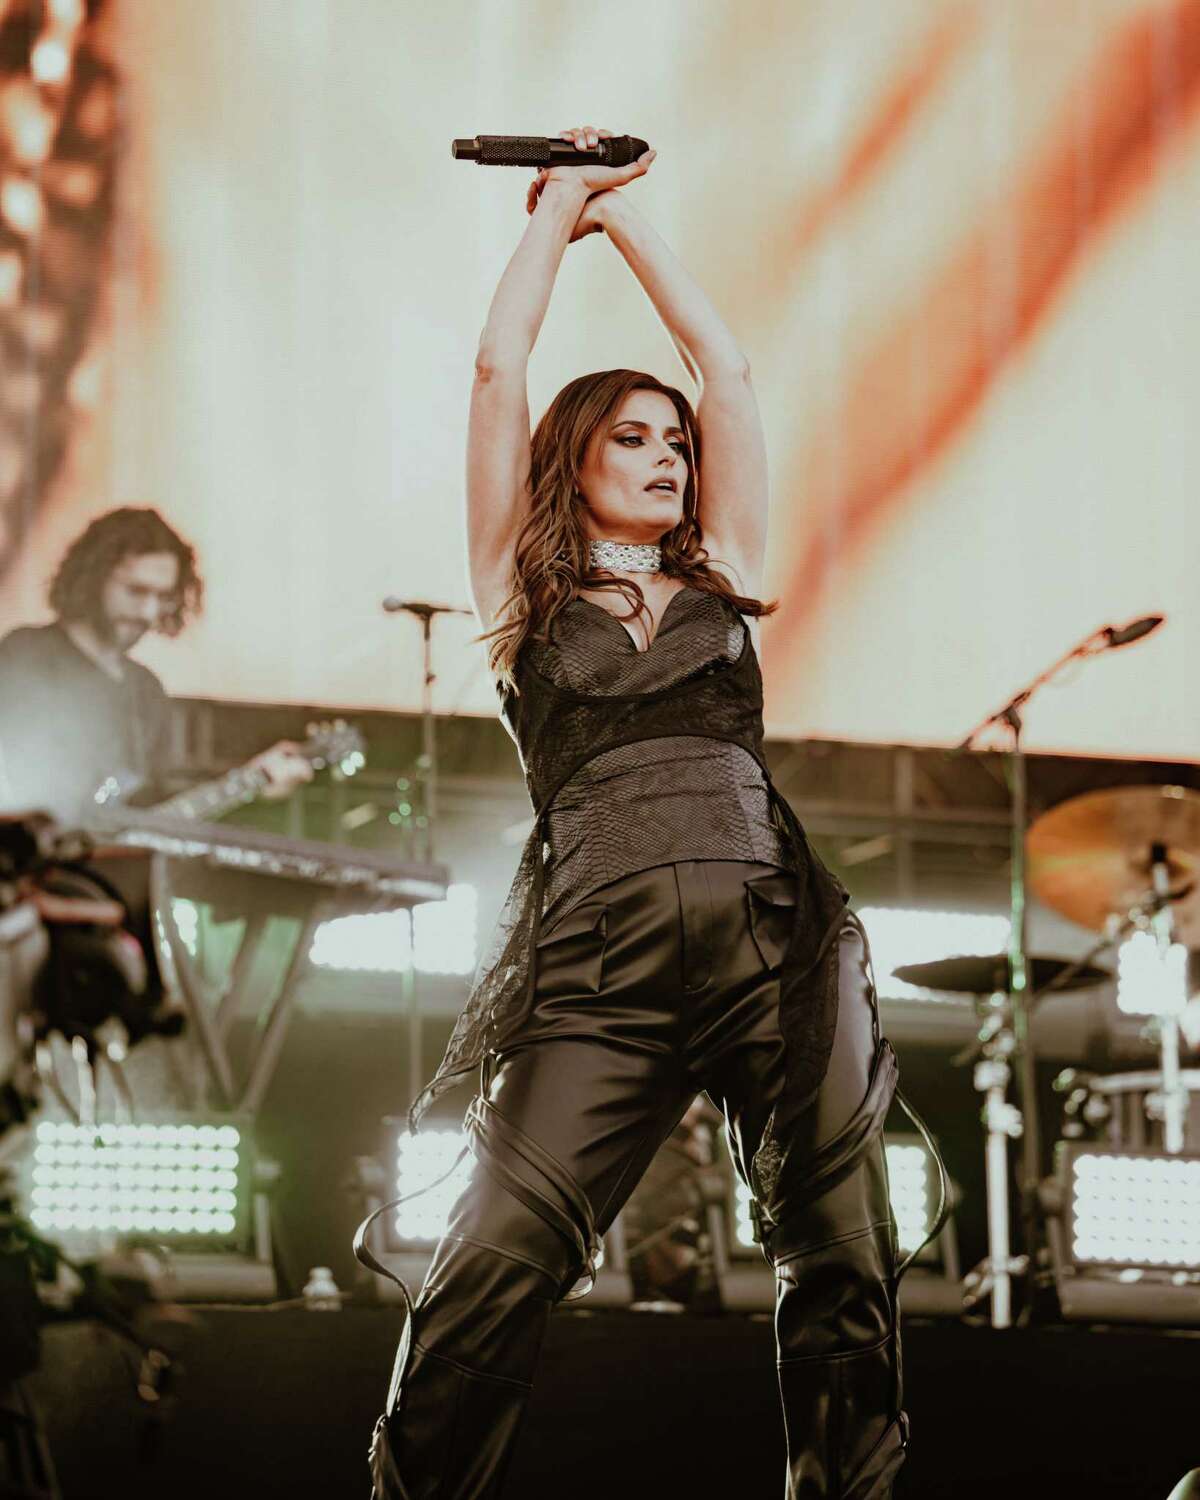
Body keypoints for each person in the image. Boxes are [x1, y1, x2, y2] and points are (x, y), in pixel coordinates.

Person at [364, 128, 912, 1499]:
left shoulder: (724, 571)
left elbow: (728, 374)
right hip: (599, 965)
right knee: (494, 1262)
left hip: (775, 950)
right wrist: (557, 212)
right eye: (635, 435)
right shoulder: (519, 599)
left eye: (677, 442)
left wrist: (637, 220)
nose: (670, 453)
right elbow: (498, 375)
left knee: (842, 1253)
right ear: (578, 456)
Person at [0, 506, 310, 823]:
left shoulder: (145, 689)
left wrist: (252, 782)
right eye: (136, 591)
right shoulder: (25, 655)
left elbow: (154, 806)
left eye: (163, 597)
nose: (149, 613)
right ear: (92, 578)